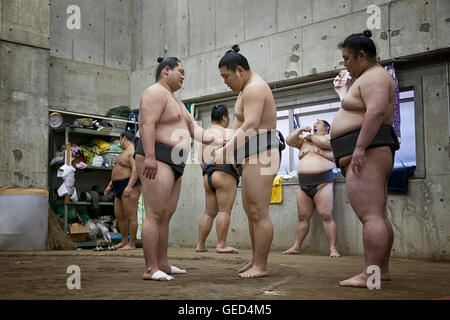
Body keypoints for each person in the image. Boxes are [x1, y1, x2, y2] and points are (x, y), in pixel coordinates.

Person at [135, 57, 225, 281]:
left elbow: (194, 129)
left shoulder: (178, 103)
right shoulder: (154, 92)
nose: (184, 76)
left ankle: (163, 264)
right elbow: (147, 124)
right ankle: (150, 268)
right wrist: (150, 156)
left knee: (166, 215)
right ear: (167, 70)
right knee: (155, 214)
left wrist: (219, 140)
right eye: (181, 71)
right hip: (158, 154)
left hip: (176, 161)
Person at [330, 30, 399, 288]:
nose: (345, 63)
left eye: (347, 58)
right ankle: (381, 270)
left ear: (361, 55)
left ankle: (371, 275)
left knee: (370, 216)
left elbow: (376, 112)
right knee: (377, 215)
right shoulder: (368, 78)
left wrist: (359, 147)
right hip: (370, 149)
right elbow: (360, 109)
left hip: (369, 151)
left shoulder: (375, 77)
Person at [214, 45, 285, 278]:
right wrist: (233, 153)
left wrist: (226, 152)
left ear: (239, 70)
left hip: (263, 150)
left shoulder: (255, 88)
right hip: (250, 152)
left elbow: (252, 124)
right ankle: (256, 260)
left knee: (258, 211)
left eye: (226, 76)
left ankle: (261, 266)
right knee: (250, 210)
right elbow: (239, 126)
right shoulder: (245, 90)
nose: (225, 81)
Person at [282, 120, 341, 258]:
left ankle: (333, 248)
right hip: (304, 184)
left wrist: (313, 139)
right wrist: (301, 129)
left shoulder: (330, 138)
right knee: (302, 217)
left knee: (326, 216)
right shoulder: (304, 141)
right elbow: (289, 140)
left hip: (323, 183)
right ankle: (296, 246)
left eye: (318, 123)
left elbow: (326, 145)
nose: (315, 125)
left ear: (327, 128)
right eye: (314, 123)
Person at [196, 105, 240, 254]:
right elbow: (233, 157)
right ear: (224, 117)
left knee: (209, 212)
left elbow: (200, 159)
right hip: (224, 172)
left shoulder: (205, 134)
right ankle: (221, 244)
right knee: (224, 211)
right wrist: (236, 170)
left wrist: (208, 169)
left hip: (207, 175)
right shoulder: (228, 132)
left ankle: (200, 244)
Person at [104, 131, 141, 250]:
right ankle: (124, 241)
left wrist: (129, 186)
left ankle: (132, 243)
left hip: (129, 184)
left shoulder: (133, 152)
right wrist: (110, 185)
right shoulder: (122, 153)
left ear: (124, 138)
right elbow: (117, 170)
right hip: (117, 186)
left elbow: (136, 170)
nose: (120, 143)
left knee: (131, 216)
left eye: (120, 140)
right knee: (119, 215)